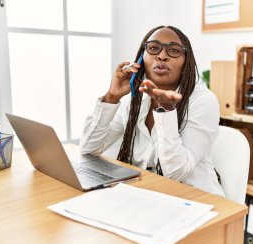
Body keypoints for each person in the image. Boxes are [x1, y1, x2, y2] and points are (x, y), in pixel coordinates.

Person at [80, 25, 224, 196]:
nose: (162, 56)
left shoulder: (203, 101)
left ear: (187, 61)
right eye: (153, 48)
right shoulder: (134, 99)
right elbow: (88, 149)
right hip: (148, 194)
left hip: (195, 200)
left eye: (174, 51)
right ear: (141, 59)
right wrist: (112, 96)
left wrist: (167, 112)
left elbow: (175, 172)